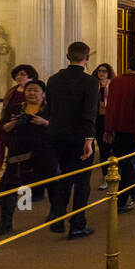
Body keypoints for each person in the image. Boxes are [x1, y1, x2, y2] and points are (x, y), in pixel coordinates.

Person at [44, 42, 99, 239]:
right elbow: (89, 113)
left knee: (64, 176)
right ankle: (77, 224)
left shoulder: (53, 80)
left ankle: (58, 216)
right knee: (82, 181)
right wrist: (89, 140)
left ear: (68, 56)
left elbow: (49, 110)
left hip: (57, 135)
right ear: (87, 58)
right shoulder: (91, 82)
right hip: (79, 136)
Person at [0, 79, 57, 236]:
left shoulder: (51, 110)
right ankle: (5, 222)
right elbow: (4, 127)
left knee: (52, 186)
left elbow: (59, 130)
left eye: (36, 90)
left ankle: (56, 214)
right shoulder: (16, 109)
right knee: (10, 187)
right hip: (18, 155)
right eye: (29, 90)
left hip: (44, 155)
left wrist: (44, 122)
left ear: (43, 94)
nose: (32, 93)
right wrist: (14, 123)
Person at [104, 55, 135, 213]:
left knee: (123, 163)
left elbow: (110, 106)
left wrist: (108, 129)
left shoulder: (116, 81)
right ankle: (127, 196)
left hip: (117, 128)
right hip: (132, 130)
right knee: (129, 165)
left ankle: (131, 192)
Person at [0, 63, 39, 169]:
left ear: (31, 76)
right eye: (17, 75)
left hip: (29, 130)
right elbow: (6, 110)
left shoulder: (36, 91)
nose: (19, 77)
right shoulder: (12, 91)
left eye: (22, 74)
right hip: (12, 129)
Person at [93, 63, 115, 189]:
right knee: (103, 149)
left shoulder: (113, 85)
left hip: (110, 119)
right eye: (99, 71)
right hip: (98, 120)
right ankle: (105, 178)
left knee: (112, 147)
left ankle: (115, 174)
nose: (101, 73)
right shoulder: (93, 85)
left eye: (104, 71)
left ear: (108, 73)